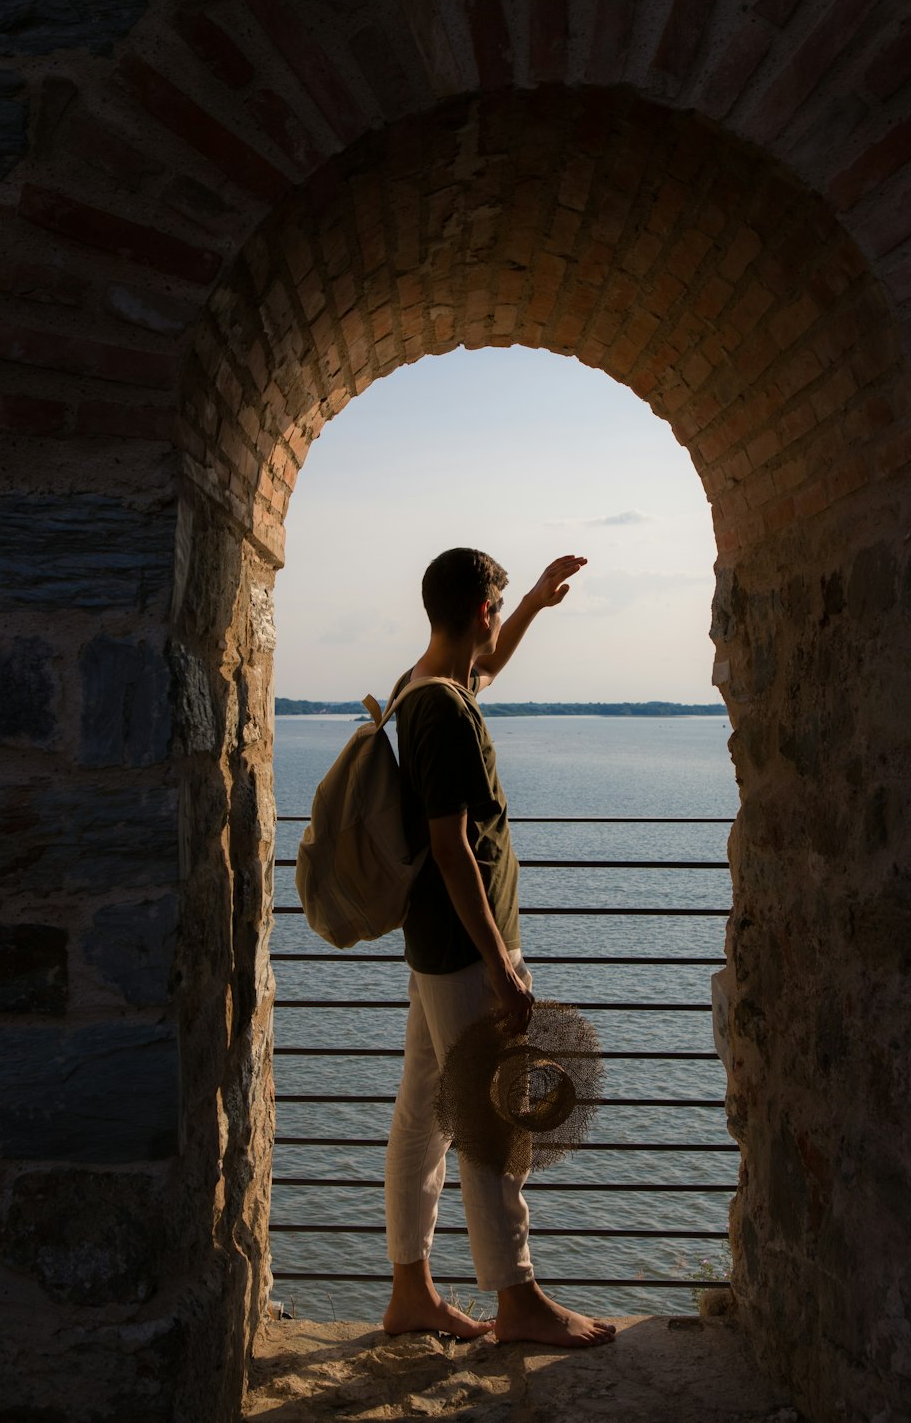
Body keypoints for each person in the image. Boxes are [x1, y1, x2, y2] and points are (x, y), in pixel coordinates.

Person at [382, 547, 617, 1348]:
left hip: (435, 946)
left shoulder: (428, 686)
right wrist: (500, 962)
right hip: (463, 951)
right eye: (498, 610)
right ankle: (517, 1303)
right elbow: (450, 848)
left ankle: (411, 1292)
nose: (497, 627)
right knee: (493, 1120)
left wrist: (535, 608)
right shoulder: (443, 712)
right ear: (478, 610)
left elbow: (489, 667)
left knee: (423, 1115)